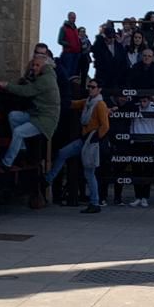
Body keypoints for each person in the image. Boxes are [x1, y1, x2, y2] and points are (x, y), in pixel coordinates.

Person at [44, 79, 109, 212]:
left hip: (90, 141)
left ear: (99, 89)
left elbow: (105, 126)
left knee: (89, 172)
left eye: (93, 87)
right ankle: (48, 179)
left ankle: (95, 202)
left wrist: (95, 138)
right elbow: (73, 104)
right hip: (85, 140)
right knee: (63, 153)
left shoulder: (99, 105)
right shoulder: (88, 102)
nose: (90, 89)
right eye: (89, 87)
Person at [0, 52, 60, 169]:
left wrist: (7, 86)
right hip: (37, 115)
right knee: (13, 116)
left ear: (44, 66)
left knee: (19, 132)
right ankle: (22, 148)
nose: (33, 68)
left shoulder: (45, 79)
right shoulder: (46, 77)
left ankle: (7, 162)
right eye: (33, 65)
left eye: (37, 65)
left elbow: (27, 91)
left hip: (44, 120)